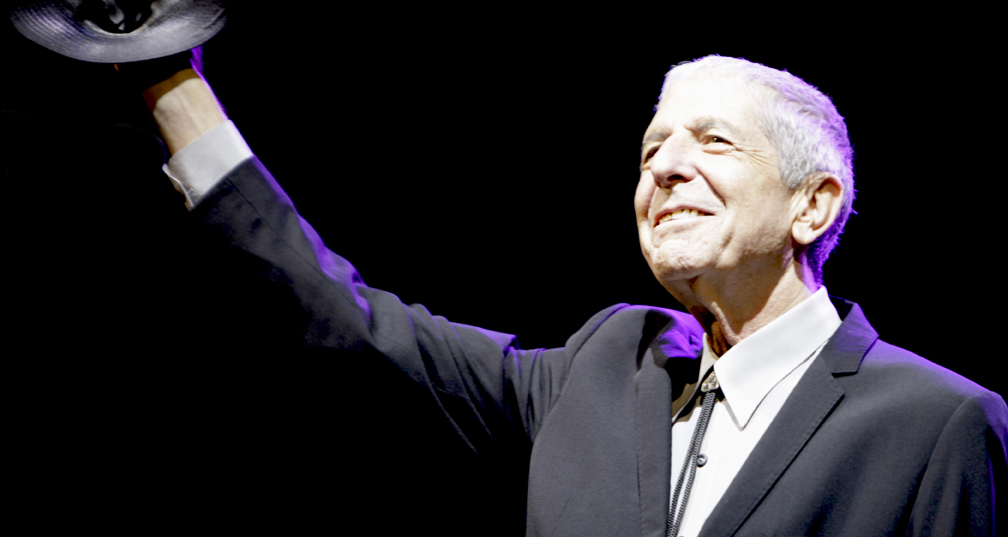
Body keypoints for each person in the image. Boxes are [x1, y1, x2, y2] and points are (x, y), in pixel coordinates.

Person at [131, 52, 1006, 536]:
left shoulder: (933, 423)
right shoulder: (601, 370)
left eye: (713, 142)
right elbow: (357, 328)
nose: (665, 167)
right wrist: (170, 77)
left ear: (813, 206)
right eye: (651, 150)